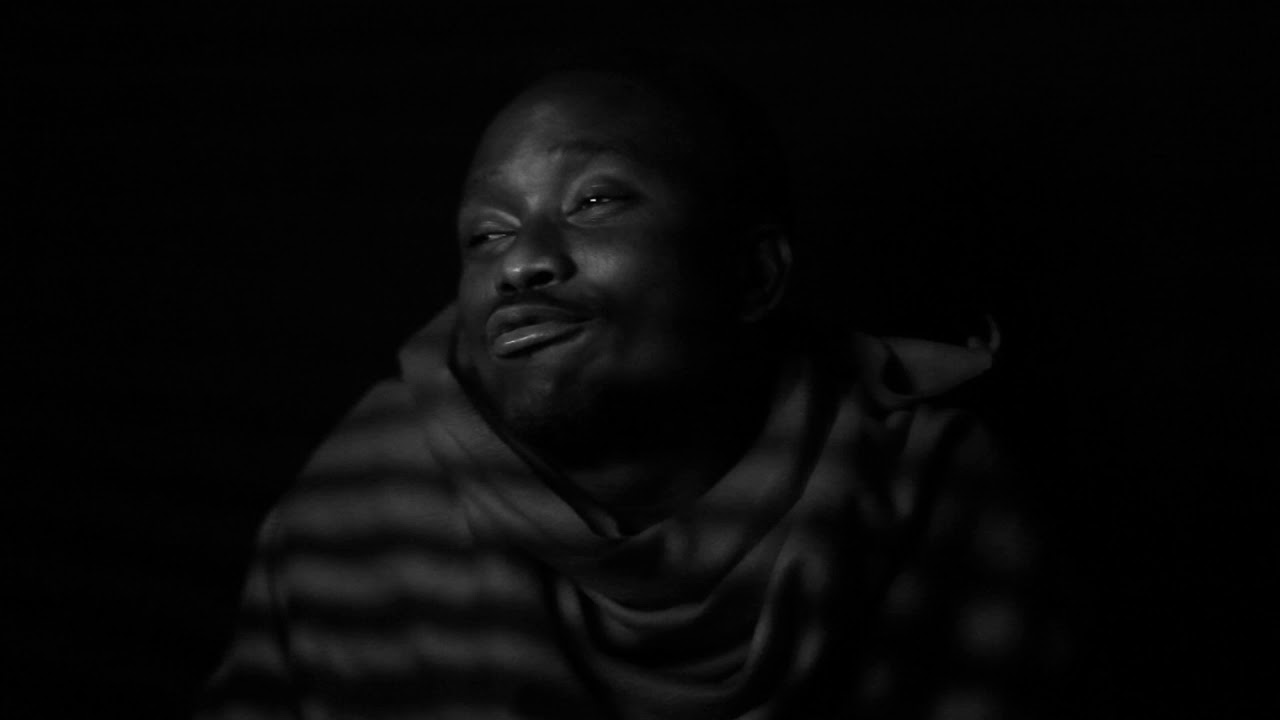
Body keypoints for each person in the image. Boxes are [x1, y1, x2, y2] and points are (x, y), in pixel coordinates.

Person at [195, 55, 1052, 720]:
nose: (520, 264)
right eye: (485, 234)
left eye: (594, 202)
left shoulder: (921, 489)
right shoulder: (360, 508)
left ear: (753, 276)